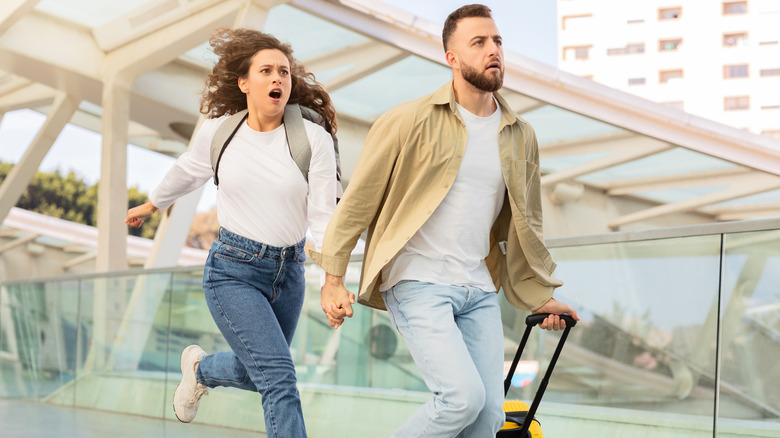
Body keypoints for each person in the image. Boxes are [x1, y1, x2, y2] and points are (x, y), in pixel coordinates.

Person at [310, 4, 579, 437]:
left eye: (497, 42)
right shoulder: (407, 120)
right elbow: (357, 203)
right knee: (461, 398)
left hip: (477, 287)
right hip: (417, 279)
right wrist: (333, 277)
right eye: (478, 42)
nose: (493, 50)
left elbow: (526, 226)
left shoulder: (520, 134)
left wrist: (539, 296)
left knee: (490, 415)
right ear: (452, 58)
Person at [125, 28, 338, 438]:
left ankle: (200, 369)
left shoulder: (313, 139)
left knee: (257, 372)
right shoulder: (222, 132)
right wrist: (154, 203)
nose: (278, 78)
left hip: (289, 273)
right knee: (279, 381)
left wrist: (332, 279)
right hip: (232, 271)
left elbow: (323, 216)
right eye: (266, 71)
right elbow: (189, 169)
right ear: (244, 83)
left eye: (284, 72)